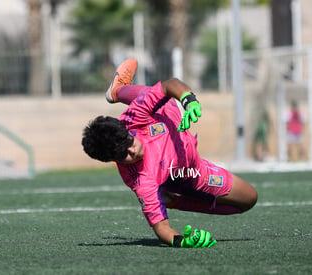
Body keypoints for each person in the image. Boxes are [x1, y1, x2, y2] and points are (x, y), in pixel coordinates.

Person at [82, 58, 258, 248]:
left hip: (167, 112)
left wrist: (189, 101)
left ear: (126, 130)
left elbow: (170, 84)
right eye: (123, 154)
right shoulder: (141, 181)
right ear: (113, 160)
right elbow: (162, 229)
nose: (133, 151)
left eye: (129, 141)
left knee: (156, 97)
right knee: (249, 199)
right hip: (188, 173)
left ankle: (117, 90)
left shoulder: (135, 118)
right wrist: (182, 241)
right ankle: (172, 200)